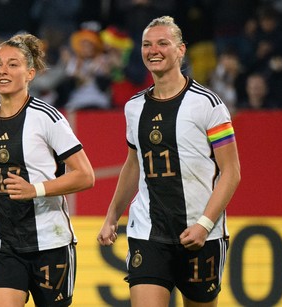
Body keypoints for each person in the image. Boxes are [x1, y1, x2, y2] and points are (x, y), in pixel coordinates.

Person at [97, 16, 241, 307]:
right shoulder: (134, 107)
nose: (154, 50)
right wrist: (113, 216)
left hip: (201, 233)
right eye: (147, 44)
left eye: (163, 43)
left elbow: (231, 172)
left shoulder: (208, 104)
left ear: (181, 50)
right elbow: (133, 164)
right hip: (148, 232)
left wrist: (204, 224)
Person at [0, 33, 95, 307]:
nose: (3, 71)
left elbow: (85, 175)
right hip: (2, 243)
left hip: (50, 240)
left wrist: (35, 190)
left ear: (30, 73)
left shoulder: (47, 118)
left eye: (13, 64)